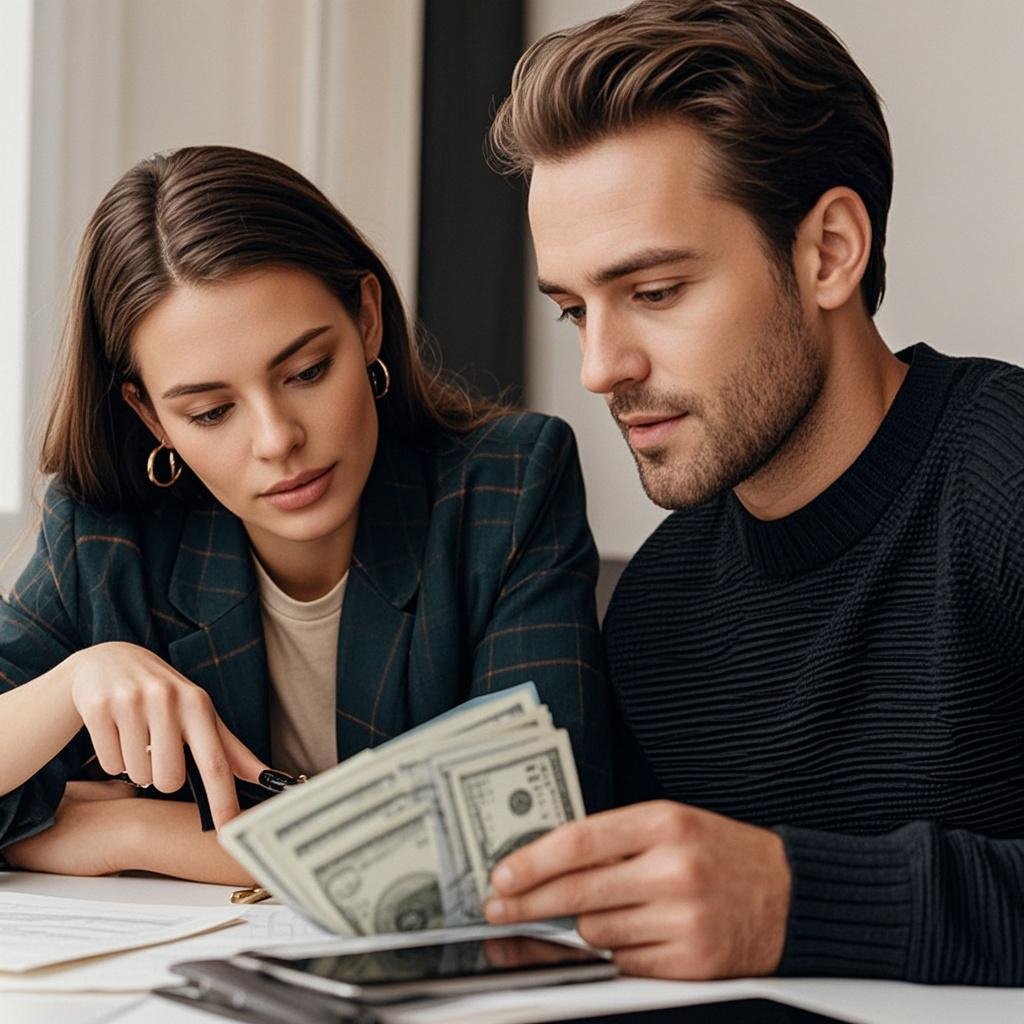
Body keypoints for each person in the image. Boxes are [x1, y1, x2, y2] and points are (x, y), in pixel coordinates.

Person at [482, 0, 1024, 987]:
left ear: (827, 251)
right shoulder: (654, 614)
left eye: (652, 292)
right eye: (572, 310)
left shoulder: (1005, 476)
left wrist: (795, 900)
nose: (600, 368)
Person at [0, 146, 611, 883]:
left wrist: (126, 832)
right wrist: (75, 682)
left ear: (367, 319)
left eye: (307, 372)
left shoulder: (508, 487)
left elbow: (537, 831)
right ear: (150, 416)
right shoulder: (104, 535)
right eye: (210, 410)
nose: (276, 439)